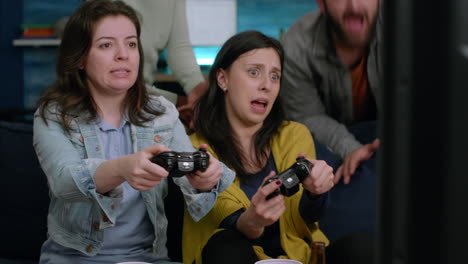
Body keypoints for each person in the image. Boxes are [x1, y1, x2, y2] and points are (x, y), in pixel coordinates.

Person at [33, 1, 234, 263]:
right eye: (106, 45)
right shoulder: (52, 114)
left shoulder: (162, 112)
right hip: (74, 258)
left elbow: (192, 180)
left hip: (147, 258)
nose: (123, 55)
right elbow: (65, 182)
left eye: (130, 44)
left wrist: (206, 180)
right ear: (80, 57)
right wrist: (122, 169)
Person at [182, 30, 372, 264]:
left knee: (362, 248)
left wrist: (315, 192)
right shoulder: (196, 148)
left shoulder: (294, 134)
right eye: (254, 72)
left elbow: (309, 217)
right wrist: (253, 220)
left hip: (296, 257)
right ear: (223, 79)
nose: (266, 85)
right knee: (226, 247)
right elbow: (223, 216)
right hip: (235, 256)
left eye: (275, 76)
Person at [280, 0, 382, 241]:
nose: (354, 5)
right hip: (326, 141)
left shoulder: (405, 32)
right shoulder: (297, 44)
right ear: (322, 4)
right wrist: (351, 149)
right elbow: (307, 116)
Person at [121, 0, 209, 128]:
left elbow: (179, 47)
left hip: (144, 104)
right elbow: (112, 81)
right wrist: (174, 102)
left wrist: (197, 88)